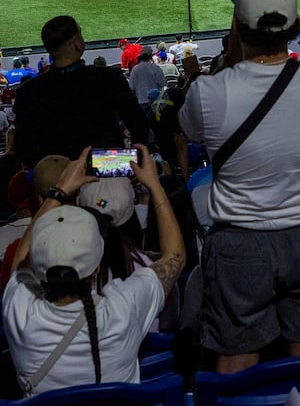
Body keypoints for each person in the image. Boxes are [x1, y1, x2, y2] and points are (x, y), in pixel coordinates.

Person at [179, 0, 300, 374]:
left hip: (241, 243)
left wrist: (234, 55)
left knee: (236, 359)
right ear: (294, 25)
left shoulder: (209, 92)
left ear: (237, 27)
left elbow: (190, 128)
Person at [2, 146, 184, 395]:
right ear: (97, 263)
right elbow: (175, 257)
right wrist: (155, 185)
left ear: (38, 265)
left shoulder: (20, 311)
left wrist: (59, 191)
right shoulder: (123, 307)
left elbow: (20, 261)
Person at [15, 18, 149, 169]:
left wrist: (55, 172)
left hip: (59, 178)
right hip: (107, 172)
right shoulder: (109, 79)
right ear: (77, 43)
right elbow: (139, 126)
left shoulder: (29, 92)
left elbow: (23, 149)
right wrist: (122, 165)